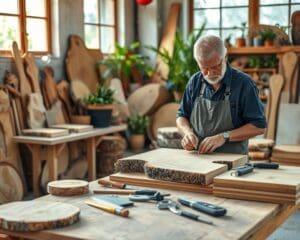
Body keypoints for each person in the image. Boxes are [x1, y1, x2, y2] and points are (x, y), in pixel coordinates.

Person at [176, 35, 266, 154]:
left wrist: (224, 136)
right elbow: (181, 116)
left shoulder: (244, 84)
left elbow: (259, 126)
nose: (209, 73)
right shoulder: (195, 82)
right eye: (204, 68)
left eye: (215, 67)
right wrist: (187, 133)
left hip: (233, 164)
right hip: (200, 160)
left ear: (225, 57)